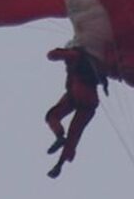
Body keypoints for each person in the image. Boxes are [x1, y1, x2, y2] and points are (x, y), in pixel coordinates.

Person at [44, 46, 108, 178]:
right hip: (84, 99)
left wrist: (61, 52)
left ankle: (60, 143)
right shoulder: (94, 63)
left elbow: (52, 55)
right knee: (72, 132)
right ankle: (59, 162)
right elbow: (103, 78)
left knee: (56, 119)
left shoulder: (76, 55)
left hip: (79, 95)